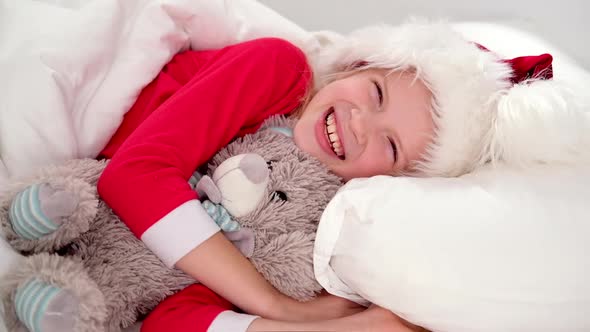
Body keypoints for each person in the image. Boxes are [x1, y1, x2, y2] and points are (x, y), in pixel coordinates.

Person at [97, 21, 554, 332]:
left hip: (132, 270)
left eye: (390, 145)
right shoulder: (278, 70)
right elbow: (133, 176)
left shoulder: (317, 211)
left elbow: (169, 320)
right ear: (357, 65)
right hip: (90, 193)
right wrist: (280, 309)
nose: (359, 125)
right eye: (376, 92)